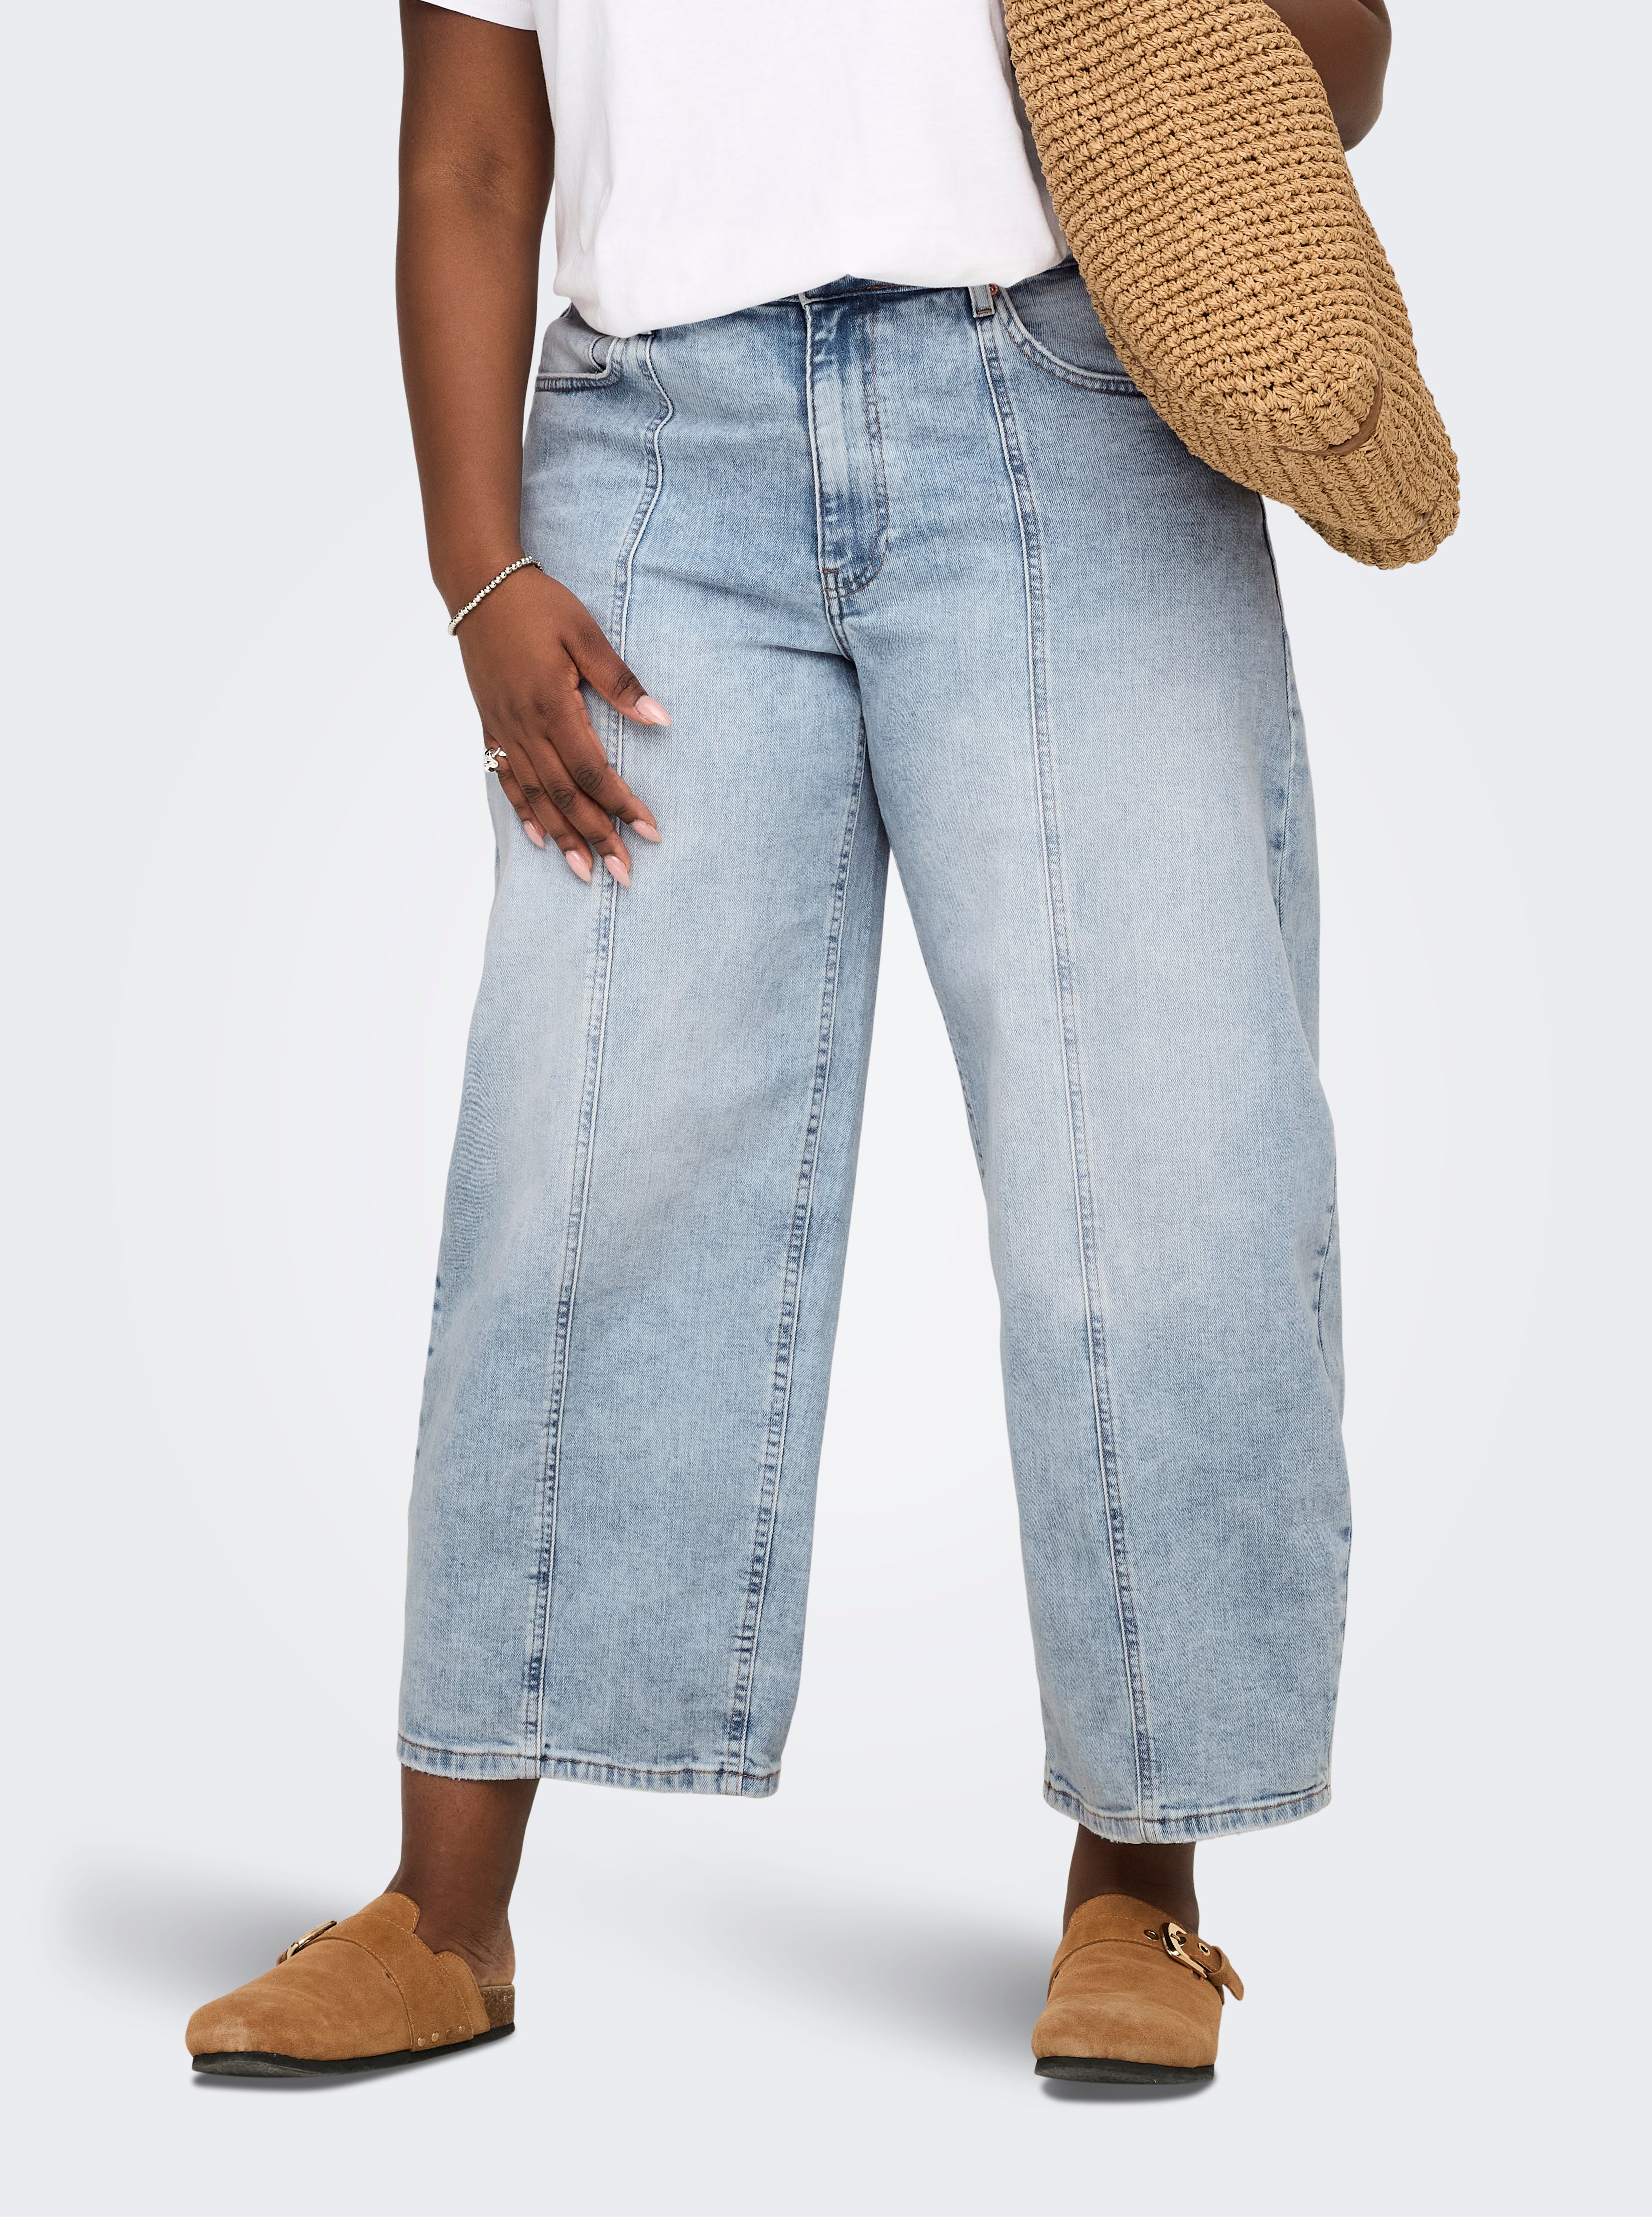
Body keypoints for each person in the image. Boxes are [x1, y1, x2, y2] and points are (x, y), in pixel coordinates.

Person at [185, 0, 1392, 2083]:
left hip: (1079, 406)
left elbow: (1341, 64)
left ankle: (1140, 1893)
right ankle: (443, 1914)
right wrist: (477, 570)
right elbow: (469, 154)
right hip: (656, 445)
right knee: (585, 1147)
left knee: (1162, 1144)